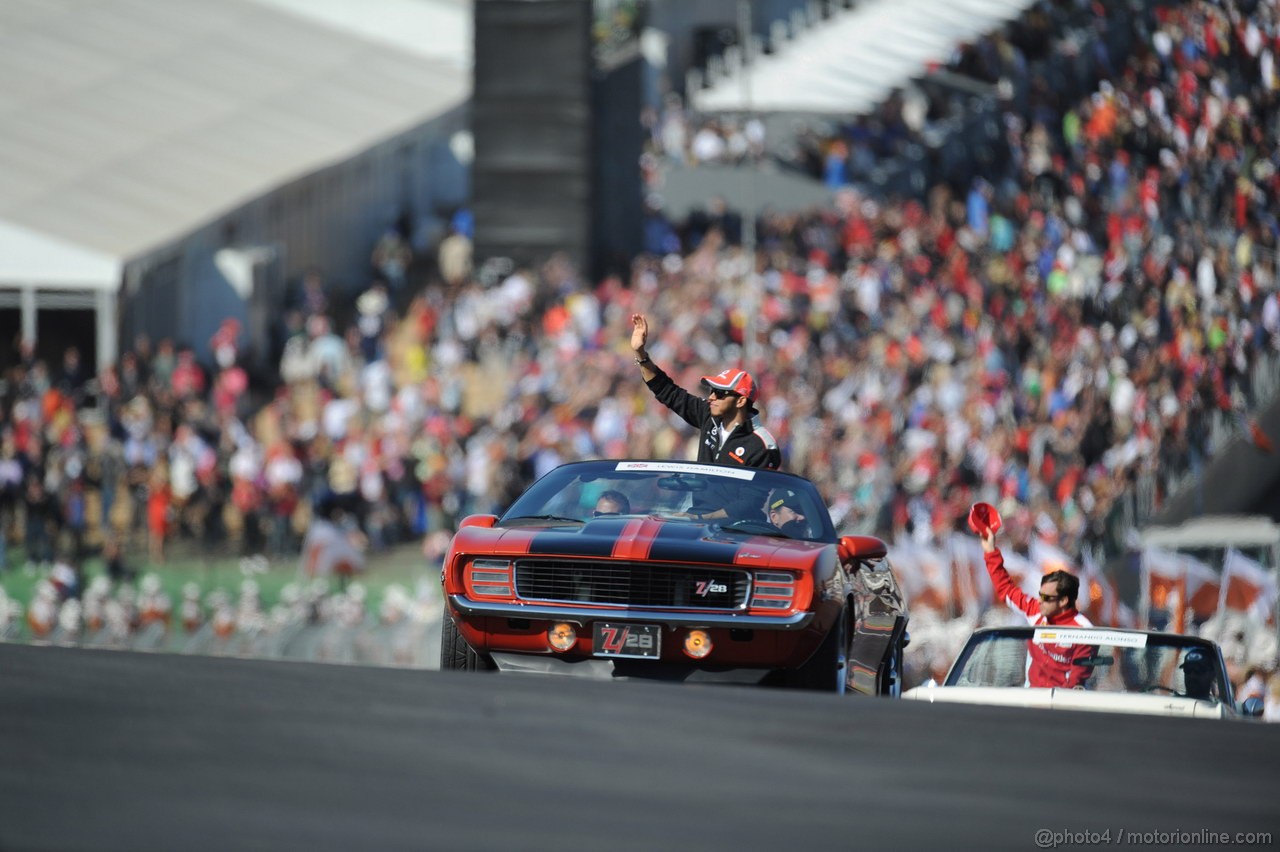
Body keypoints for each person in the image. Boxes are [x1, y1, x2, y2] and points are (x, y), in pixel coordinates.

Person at [630, 313, 780, 472]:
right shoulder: (709, 416)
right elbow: (667, 391)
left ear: (741, 401)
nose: (712, 397)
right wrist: (641, 354)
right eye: (712, 391)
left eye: (721, 393)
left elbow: (755, 495)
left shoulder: (762, 445)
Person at [979, 527, 1094, 688]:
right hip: (1032, 699)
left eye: (1047, 598)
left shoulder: (1084, 630)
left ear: (1063, 601)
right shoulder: (1035, 612)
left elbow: (1078, 679)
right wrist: (990, 551)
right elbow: (1005, 588)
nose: (1040, 601)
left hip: (1065, 702)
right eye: (1040, 595)